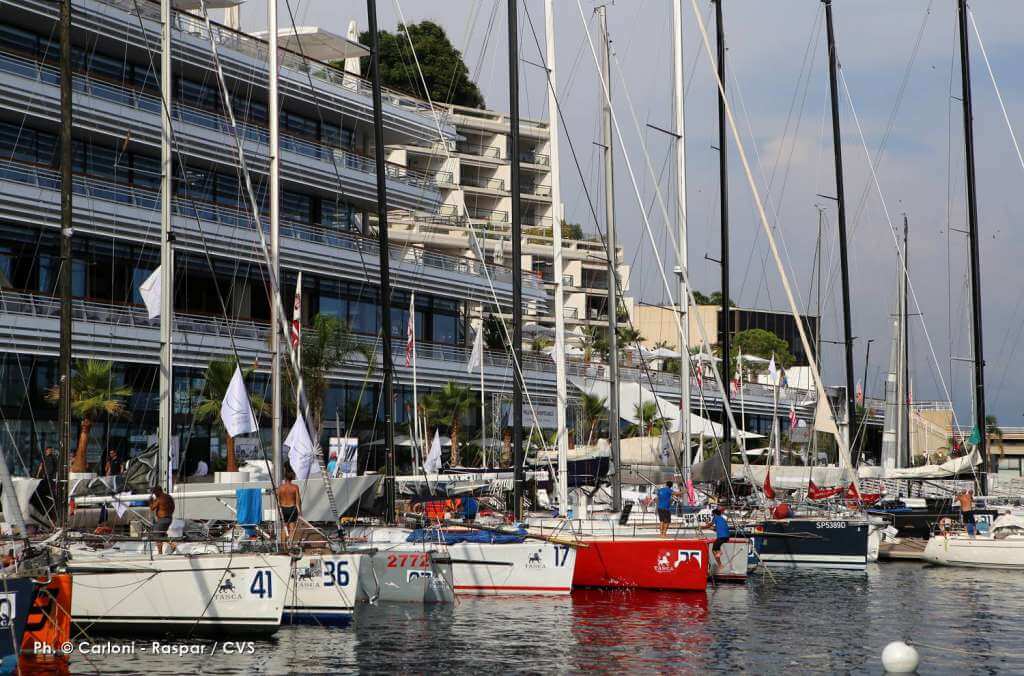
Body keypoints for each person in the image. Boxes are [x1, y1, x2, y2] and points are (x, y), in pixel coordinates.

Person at [277, 466, 301, 542]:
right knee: (292, 528)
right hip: (292, 509)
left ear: (285, 478)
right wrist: (300, 511)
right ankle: (291, 545)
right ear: (292, 478)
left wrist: (280, 511)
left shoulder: (280, 488)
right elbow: (298, 501)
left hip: (283, 508)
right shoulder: (295, 487)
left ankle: (283, 545)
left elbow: (278, 501)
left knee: (284, 527)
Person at [149, 485, 175, 554]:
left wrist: (151, 501)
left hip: (162, 520)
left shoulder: (159, 499)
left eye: (154, 492)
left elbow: (152, 508)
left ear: (158, 491)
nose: (154, 494)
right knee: (162, 534)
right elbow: (173, 507)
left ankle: (160, 552)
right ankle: (172, 545)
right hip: (169, 518)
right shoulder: (169, 497)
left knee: (157, 535)